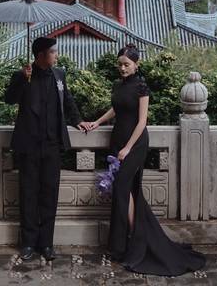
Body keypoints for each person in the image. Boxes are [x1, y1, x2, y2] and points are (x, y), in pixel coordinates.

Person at [79, 43, 206, 276]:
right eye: (120, 65)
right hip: (117, 142)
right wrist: (97, 122)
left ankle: (136, 242)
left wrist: (128, 148)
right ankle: (127, 242)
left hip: (135, 145)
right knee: (126, 191)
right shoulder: (118, 85)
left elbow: (141, 122)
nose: (122, 69)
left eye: (127, 65)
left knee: (122, 189)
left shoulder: (142, 87)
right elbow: (116, 109)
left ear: (136, 65)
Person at [5, 36, 86, 262]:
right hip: (29, 146)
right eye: (53, 52)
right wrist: (22, 78)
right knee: (28, 194)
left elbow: (68, 100)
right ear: (40, 55)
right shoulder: (23, 76)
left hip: (52, 145)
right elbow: (9, 99)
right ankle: (29, 243)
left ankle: (47, 244)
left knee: (49, 194)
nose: (56, 55)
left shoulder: (59, 75)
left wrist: (78, 120)